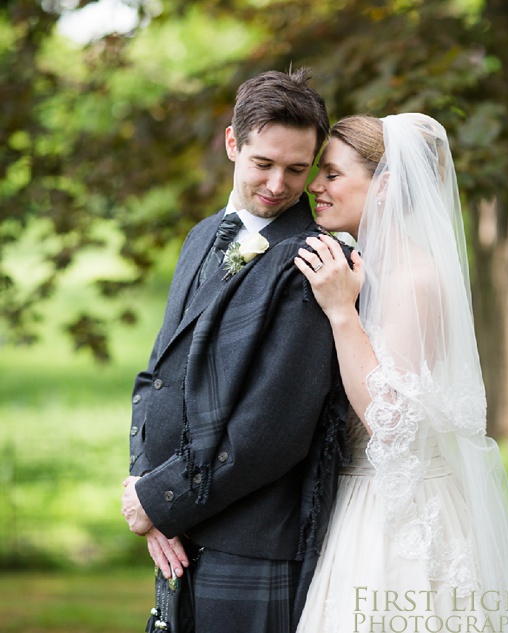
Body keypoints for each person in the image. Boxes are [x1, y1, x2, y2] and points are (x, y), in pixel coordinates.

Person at [294, 113, 508, 633]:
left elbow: (388, 420)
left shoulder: (416, 280)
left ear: (384, 185)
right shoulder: (366, 268)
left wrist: (343, 313)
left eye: (333, 174)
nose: (314, 185)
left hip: (397, 517)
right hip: (352, 499)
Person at [120, 68, 349, 633]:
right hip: (179, 525)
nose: (278, 185)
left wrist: (162, 498)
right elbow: (157, 378)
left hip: (253, 540)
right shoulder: (201, 235)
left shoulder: (311, 260)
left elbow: (273, 429)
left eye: (298, 169)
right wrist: (146, 494)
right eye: (263, 163)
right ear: (232, 143)